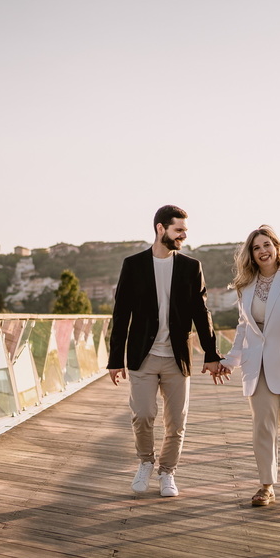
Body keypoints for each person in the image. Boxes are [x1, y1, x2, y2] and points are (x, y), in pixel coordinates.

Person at [107, 205, 226, 497]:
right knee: (142, 414)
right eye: (178, 230)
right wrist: (115, 359)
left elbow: (202, 314)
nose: (184, 235)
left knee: (176, 422)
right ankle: (146, 463)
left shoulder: (191, 267)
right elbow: (121, 314)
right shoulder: (133, 265)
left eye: (185, 230)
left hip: (177, 357)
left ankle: (167, 472)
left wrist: (211, 354)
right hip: (143, 356)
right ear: (161, 228)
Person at [219, 225, 280, 506]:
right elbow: (244, 327)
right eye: (256, 248)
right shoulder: (246, 286)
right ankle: (266, 486)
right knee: (263, 425)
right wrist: (231, 360)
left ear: (277, 247)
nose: (262, 251)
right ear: (251, 254)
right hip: (258, 364)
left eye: (267, 245)